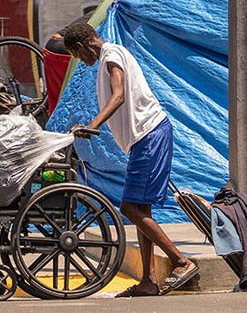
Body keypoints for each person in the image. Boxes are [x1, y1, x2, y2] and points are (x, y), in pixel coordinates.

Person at [62, 20, 198, 297]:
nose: (80, 61)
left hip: (150, 135)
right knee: (140, 211)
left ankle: (181, 262)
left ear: (80, 45)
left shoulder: (111, 55)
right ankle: (149, 281)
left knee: (130, 209)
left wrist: (94, 124)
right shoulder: (107, 58)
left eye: (76, 55)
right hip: (144, 140)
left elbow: (119, 95)